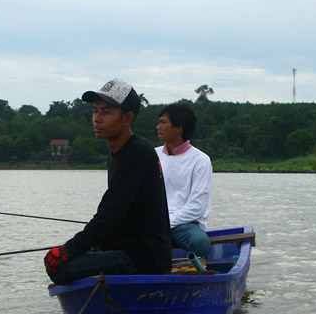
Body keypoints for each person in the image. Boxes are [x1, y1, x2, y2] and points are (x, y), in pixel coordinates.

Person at [44, 78, 172, 285]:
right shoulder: (117, 152)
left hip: (143, 258)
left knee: (61, 269)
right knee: (67, 258)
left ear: (127, 118)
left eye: (106, 112)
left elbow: (110, 213)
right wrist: (87, 247)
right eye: (95, 111)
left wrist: (69, 249)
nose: (97, 118)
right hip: (124, 248)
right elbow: (115, 216)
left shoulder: (138, 152)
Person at [155, 102, 212, 259]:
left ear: (178, 128)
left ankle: (194, 275)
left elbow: (196, 208)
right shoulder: (152, 155)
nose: (158, 127)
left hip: (185, 224)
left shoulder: (200, 160)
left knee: (200, 243)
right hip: (153, 221)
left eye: (163, 122)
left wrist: (164, 222)